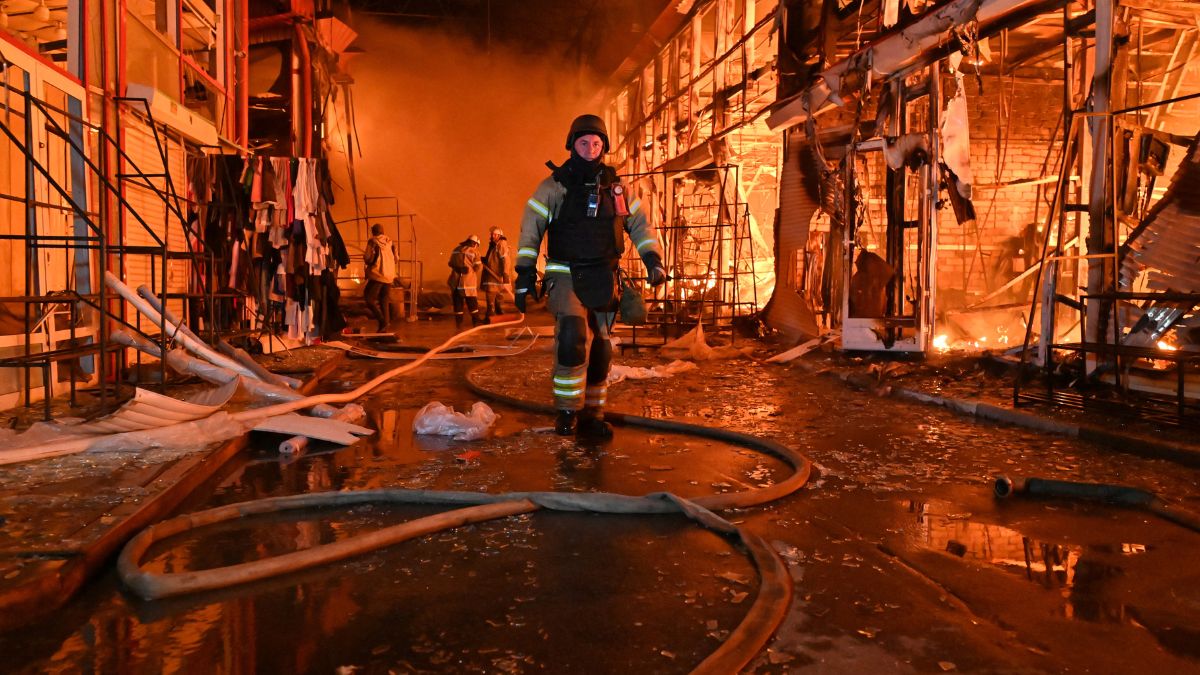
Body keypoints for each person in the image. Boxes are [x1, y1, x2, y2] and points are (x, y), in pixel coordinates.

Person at [514, 114, 667, 437]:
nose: (590, 148)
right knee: (572, 338)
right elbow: (531, 229)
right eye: (584, 142)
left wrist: (653, 259)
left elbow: (639, 225)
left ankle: (593, 414)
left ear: (604, 147)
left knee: (601, 348)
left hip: (605, 275)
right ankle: (567, 411)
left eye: (596, 143)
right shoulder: (553, 186)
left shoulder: (616, 188)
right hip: (565, 273)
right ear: (572, 145)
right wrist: (524, 271)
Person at [363, 223, 398, 332]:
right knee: (384, 301)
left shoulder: (372, 241)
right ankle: (384, 328)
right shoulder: (391, 243)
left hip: (377, 275)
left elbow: (367, 258)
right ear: (383, 231)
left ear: (373, 232)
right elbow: (396, 259)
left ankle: (382, 320)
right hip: (389, 276)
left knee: (368, 298)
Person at [448, 234, 484, 328]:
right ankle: (476, 322)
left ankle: (458, 324)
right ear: (475, 243)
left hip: (455, 282)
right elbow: (478, 268)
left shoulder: (456, 249)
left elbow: (450, 263)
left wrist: (458, 268)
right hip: (467, 283)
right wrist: (480, 262)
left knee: (458, 303)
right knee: (472, 303)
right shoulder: (474, 251)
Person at [480, 226, 511, 321]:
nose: (492, 236)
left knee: (490, 296)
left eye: (494, 234)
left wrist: (505, 274)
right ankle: (500, 314)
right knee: (497, 297)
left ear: (499, 235)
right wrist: (483, 259)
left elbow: (505, 260)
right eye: (491, 234)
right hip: (492, 275)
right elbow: (492, 259)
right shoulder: (494, 245)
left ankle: (490, 317)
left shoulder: (501, 244)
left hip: (495, 276)